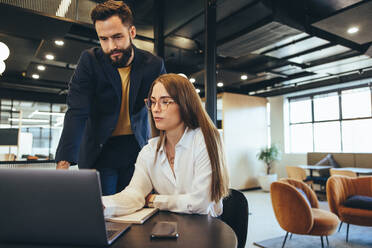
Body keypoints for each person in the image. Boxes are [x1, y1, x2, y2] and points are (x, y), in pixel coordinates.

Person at [55, 0, 166, 195]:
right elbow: (77, 111)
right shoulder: (89, 61)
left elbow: (163, 109)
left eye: (117, 37)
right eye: (103, 39)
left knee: (135, 208)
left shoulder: (153, 65)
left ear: (131, 32)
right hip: (100, 151)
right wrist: (63, 164)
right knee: (103, 214)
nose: (111, 46)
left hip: (137, 149)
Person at [102, 73, 229, 217]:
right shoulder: (149, 150)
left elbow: (200, 203)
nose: (156, 109)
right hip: (170, 229)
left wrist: (155, 199)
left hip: (206, 230)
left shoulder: (204, 139)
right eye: (153, 102)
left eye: (165, 101)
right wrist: (102, 204)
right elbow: (134, 194)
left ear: (184, 103)